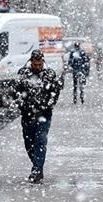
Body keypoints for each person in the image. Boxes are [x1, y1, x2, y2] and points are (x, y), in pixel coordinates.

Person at [14, 49, 64, 183]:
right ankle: (37, 166)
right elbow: (16, 91)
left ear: (43, 62)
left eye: (40, 64)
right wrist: (21, 104)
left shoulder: (49, 74)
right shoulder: (23, 74)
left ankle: (36, 170)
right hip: (27, 115)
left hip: (44, 115)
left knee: (40, 141)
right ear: (31, 62)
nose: (37, 67)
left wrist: (48, 105)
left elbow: (55, 92)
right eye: (35, 65)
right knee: (29, 143)